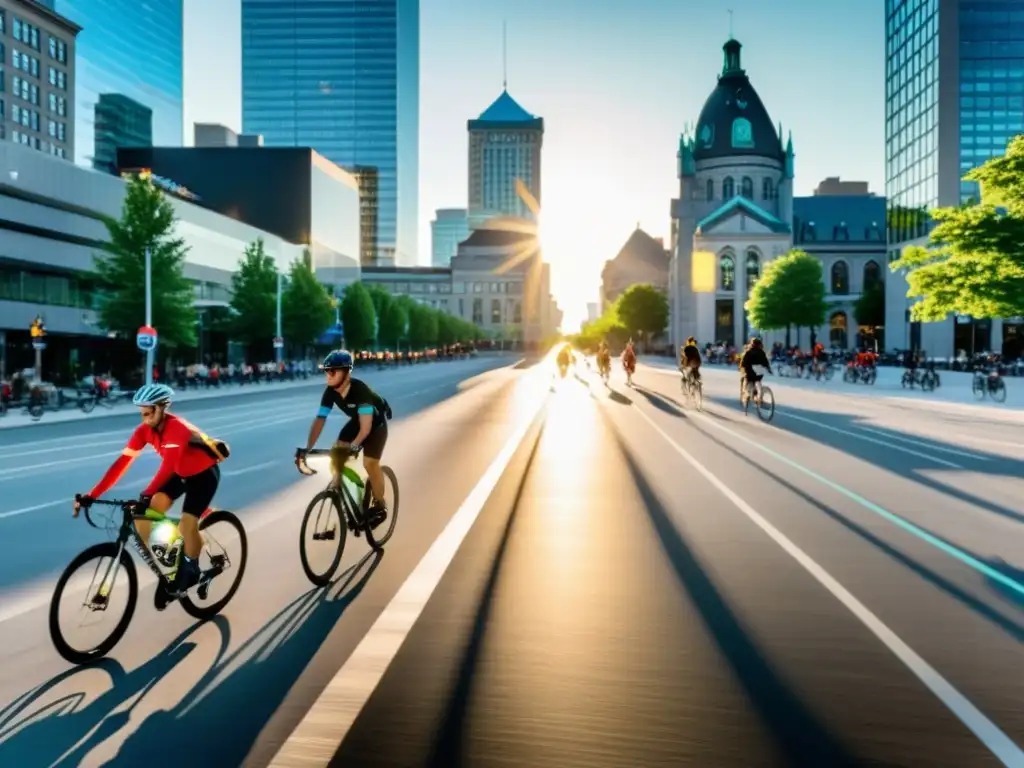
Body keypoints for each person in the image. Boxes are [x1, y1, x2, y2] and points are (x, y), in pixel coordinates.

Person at [75, 383, 228, 609]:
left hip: (203, 474)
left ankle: (192, 571)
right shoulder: (143, 431)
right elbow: (122, 463)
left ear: (161, 408)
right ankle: (171, 571)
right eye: (142, 413)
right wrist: (92, 494)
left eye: (149, 412)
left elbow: (167, 467)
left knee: (187, 525)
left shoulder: (178, 429)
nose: (145, 418)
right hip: (180, 472)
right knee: (148, 515)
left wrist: (144, 494)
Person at [298, 349, 390, 527]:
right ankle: (343, 497)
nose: (328, 375)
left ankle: (380, 505)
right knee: (336, 452)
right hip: (357, 421)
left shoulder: (360, 390)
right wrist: (307, 448)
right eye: (327, 371)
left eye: (333, 371)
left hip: (374, 425)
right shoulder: (330, 392)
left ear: (346, 373)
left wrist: (353, 446)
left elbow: (365, 429)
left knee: (369, 463)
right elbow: (319, 421)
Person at [739, 337, 773, 405]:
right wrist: (769, 369)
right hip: (759, 372)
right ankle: (760, 397)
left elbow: (743, 363)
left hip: (750, 371)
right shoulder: (762, 352)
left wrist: (741, 367)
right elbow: (766, 362)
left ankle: (747, 395)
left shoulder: (748, 352)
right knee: (758, 381)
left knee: (747, 380)